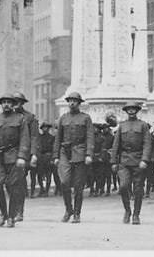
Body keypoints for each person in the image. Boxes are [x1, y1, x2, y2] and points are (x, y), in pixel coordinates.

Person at [0, 92, 30, 227]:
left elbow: (24, 140)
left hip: (14, 156)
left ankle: (11, 216)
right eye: (4, 102)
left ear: (13, 104)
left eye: (9, 102)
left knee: (13, 187)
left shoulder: (20, 119)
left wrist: (21, 157)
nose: (6, 105)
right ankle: (3, 213)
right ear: (1, 104)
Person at [53, 91, 94, 223]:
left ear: (79, 103)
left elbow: (90, 137)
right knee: (64, 182)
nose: (72, 103)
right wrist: (56, 156)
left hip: (80, 153)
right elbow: (58, 138)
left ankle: (76, 213)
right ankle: (68, 209)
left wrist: (89, 154)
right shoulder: (63, 118)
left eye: (75, 101)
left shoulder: (85, 118)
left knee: (78, 186)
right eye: (70, 100)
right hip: (65, 153)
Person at [111, 101, 152, 224]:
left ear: (137, 110)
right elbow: (116, 145)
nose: (131, 111)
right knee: (123, 186)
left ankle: (136, 214)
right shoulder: (122, 126)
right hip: (124, 161)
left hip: (139, 161)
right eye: (129, 109)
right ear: (126, 111)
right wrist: (113, 161)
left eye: (133, 109)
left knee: (138, 189)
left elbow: (147, 144)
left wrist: (144, 160)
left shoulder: (143, 125)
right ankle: (127, 210)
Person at [10, 92, 38, 221]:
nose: (16, 104)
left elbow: (34, 137)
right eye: (13, 101)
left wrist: (33, 155)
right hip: (8, 154)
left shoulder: (29, 117)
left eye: (18, 101)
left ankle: (19, 211)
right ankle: (13, 209)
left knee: (19, 182)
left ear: (22, 103)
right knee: (9, 183)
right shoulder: (6, 116)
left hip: (23, 154)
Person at [36, 122, 54, 195]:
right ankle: (42, 189)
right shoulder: (39, 137)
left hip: (48, 157)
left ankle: (46, 190)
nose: (45, 129)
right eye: (43, 127)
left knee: (48, 175)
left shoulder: (52, 138)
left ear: (49, 129)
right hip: (40, 158)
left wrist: (52, 158)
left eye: (46, 127)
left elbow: (53, 149)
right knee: (39, 175)